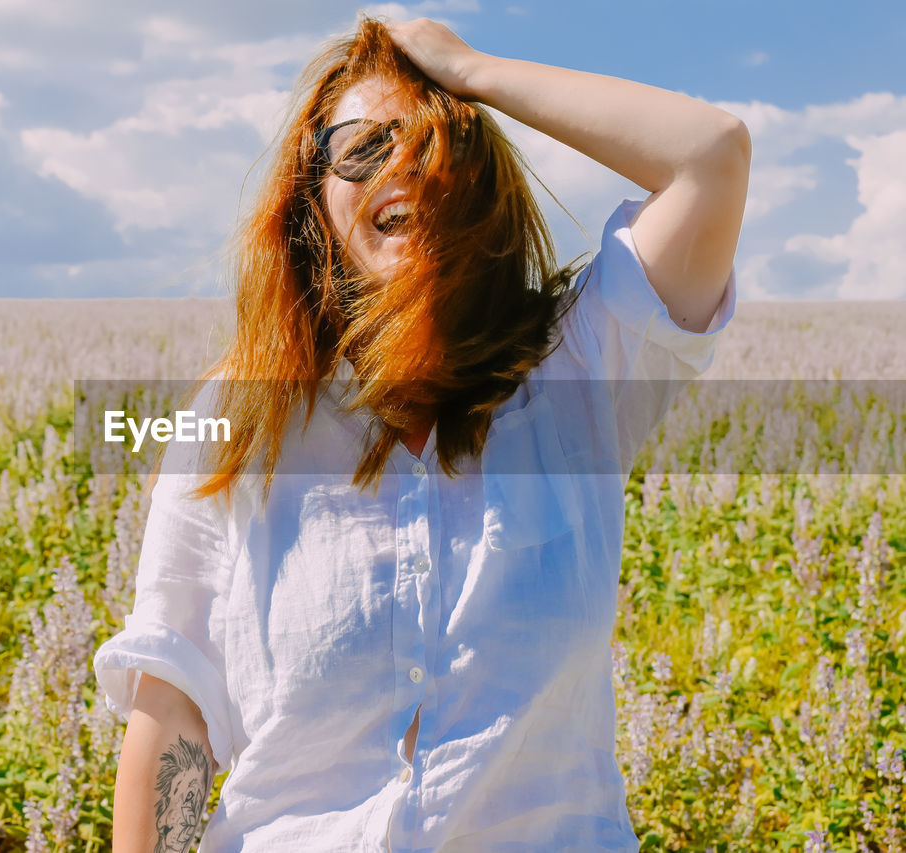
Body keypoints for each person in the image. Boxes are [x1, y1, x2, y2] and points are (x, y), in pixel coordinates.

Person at [94, 14, 747, 853]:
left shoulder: (577, 375)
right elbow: (175, 708)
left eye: (436, 147)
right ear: (314, 200)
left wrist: (470, 72)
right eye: (361, 149)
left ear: (481, 183)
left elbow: (712, 157)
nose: (402, 168)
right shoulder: (240, 419)